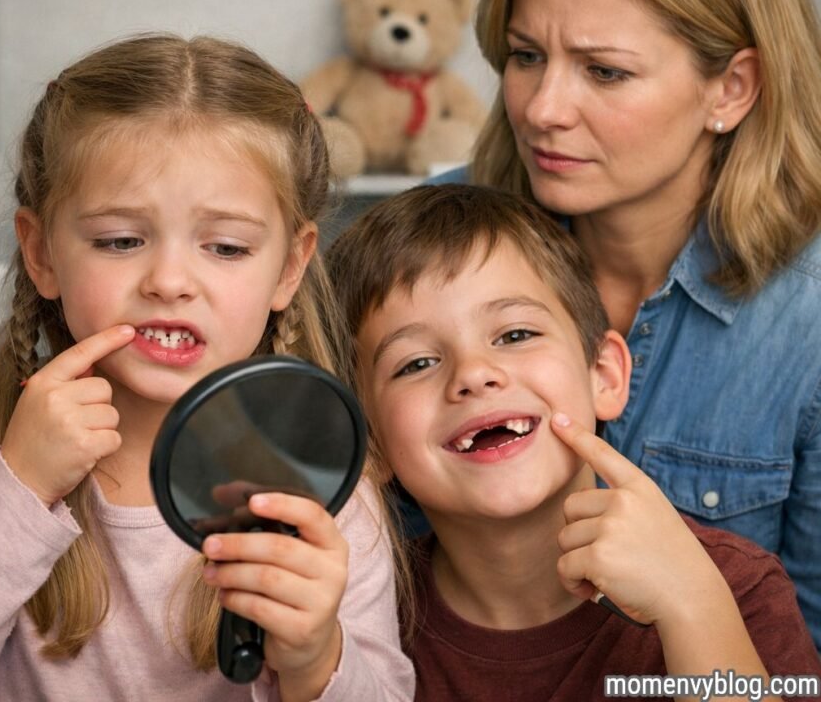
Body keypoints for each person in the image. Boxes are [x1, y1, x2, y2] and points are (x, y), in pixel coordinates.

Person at [0, 34, 415, 701]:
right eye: (120, 240)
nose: (169, 281)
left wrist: (315, 659)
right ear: (42, 253)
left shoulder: (320, 478)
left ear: (289, 266)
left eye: (225, 246)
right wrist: (16, 487)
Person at [443, 0, 821, 648]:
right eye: (524, 56)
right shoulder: (425, 241)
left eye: (604, 71)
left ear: (733, 88)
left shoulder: (808, 325)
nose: (542, 109)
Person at [328, 184, 821, 701]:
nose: (474, 374)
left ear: (604, 375)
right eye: (417, 363)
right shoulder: (360, 634)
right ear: (371, 444)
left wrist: (692, 608)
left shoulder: (733, 588)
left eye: (515, 335)